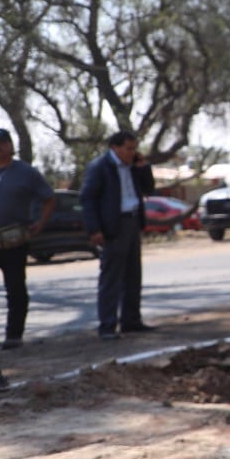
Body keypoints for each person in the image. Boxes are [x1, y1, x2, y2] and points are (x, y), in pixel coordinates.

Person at [79, 130, 155, 340]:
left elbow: (149, 189)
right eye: (129, 148)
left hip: (132, 221)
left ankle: (131, 321)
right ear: (115, 147)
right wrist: (94, 229)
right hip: (113, 225)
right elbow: (88, 199)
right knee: (111, 277)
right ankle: (107, 325)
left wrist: (143, 168)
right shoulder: (100, 167)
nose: (132, 153)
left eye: (134, 148)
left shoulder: (133, 166)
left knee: (133, 274)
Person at [0, 126, 55, 350]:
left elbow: (49, 198)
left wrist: (40, 222)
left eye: (1, 142)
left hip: (14, 238)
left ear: (10, 146)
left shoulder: (26, 172)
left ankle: (14, 334)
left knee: (16, 286)